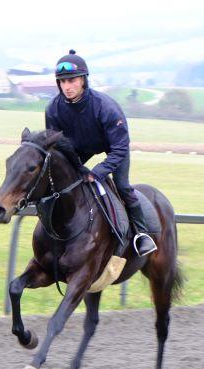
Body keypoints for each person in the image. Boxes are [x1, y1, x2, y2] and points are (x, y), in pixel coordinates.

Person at [45, 49, 157, 256]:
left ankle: (142, 234)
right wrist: (75, 168)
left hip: (114, 147)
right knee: (61, 180)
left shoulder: (106, 107)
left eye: (72, 80)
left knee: (122, 186)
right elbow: (58, 146)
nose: (67, 87)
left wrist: (97, 172)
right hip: (78, 147)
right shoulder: (53, 108)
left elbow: (120, 148)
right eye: (62, 82)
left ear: (83, 80)